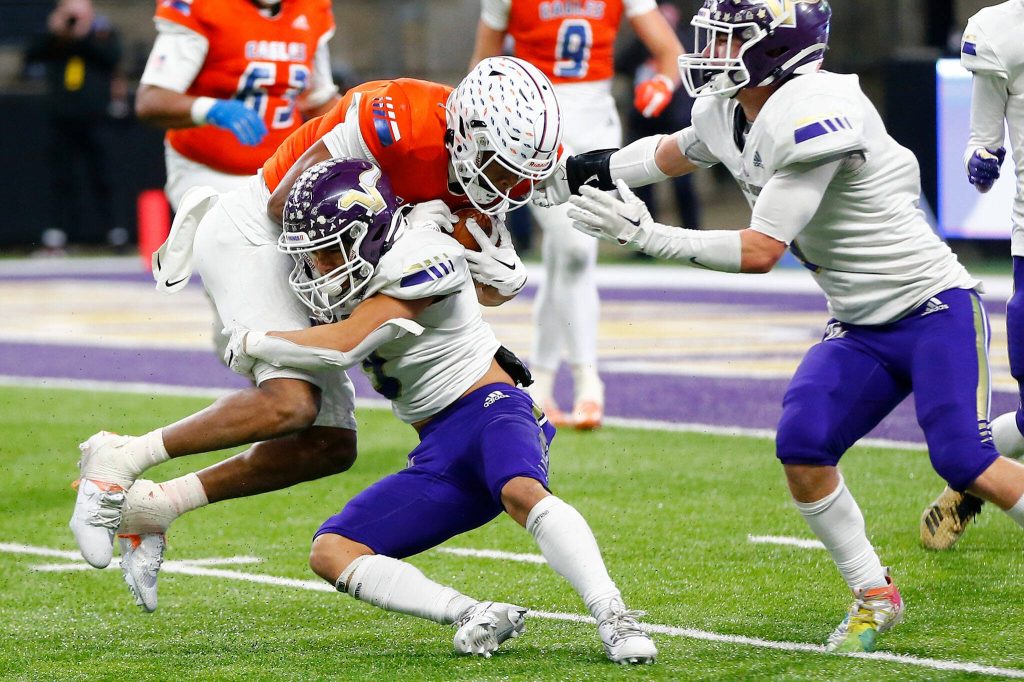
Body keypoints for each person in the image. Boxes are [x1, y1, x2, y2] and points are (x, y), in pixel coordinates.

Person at [558, 0, 1024, 653]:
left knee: (963, 456)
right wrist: (584, 169)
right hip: (859, 323)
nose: (713, 51)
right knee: (804, 449)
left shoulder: (816, 110)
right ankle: (875, 595)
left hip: (931, 307)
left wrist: (647, 234)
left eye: (730, 39)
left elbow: (760, 251)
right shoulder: (730, 109)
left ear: (777, 49)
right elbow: (673, 153)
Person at [69, 56, 563, 613]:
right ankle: (120, 459)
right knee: (290, 404)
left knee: (329, 446)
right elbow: (292, 204)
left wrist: (481, 268)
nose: (505, 186)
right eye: (498, 169)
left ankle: (156, 506)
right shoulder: (401, 121)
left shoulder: (500, 154)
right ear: (468, 132)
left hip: (331, 254)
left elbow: (470, 275)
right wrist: (415, 233)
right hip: (265, 236)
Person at [224, 156, 657, 663]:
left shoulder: (421, 254)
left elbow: (344, 344)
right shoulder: (368, 258)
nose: (317, 267)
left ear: (367, 233)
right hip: (439, 453)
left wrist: (256, 339)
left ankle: (614, 615)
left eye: (326, 251)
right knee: (331, 550)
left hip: (492, 408)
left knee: (521, 490)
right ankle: (472, 612)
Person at [468, 0, 683, 429]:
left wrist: (663, 80)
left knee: (567, 256)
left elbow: (669, 51)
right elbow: (482, 66)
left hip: (596, 122)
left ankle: (542, 382)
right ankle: (588, 381)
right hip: (533, 119)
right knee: (574, 251)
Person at [919, 0, 1024, 551]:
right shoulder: (1000, 32)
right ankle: (973, 473)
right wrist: (982, 159)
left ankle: (969, 475)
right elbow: (981, 142)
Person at [135, 0, 340, 212]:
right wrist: (211, 109)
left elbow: (318, 100)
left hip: (283, 170)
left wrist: (358, 117)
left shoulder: (309, 8)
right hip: (207, 170)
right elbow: (151, 100)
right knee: (227, 239)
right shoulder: (204, 6)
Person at [24, 0, 121, 251]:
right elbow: (31, 55)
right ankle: (59, 232)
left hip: (95, 117)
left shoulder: (102, 32)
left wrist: (83, 36)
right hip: (62, 117)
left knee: (102, 175)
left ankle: (113, 231)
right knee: (61, 177)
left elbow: (112, 58)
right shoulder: (55, 38)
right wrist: (55, 33)